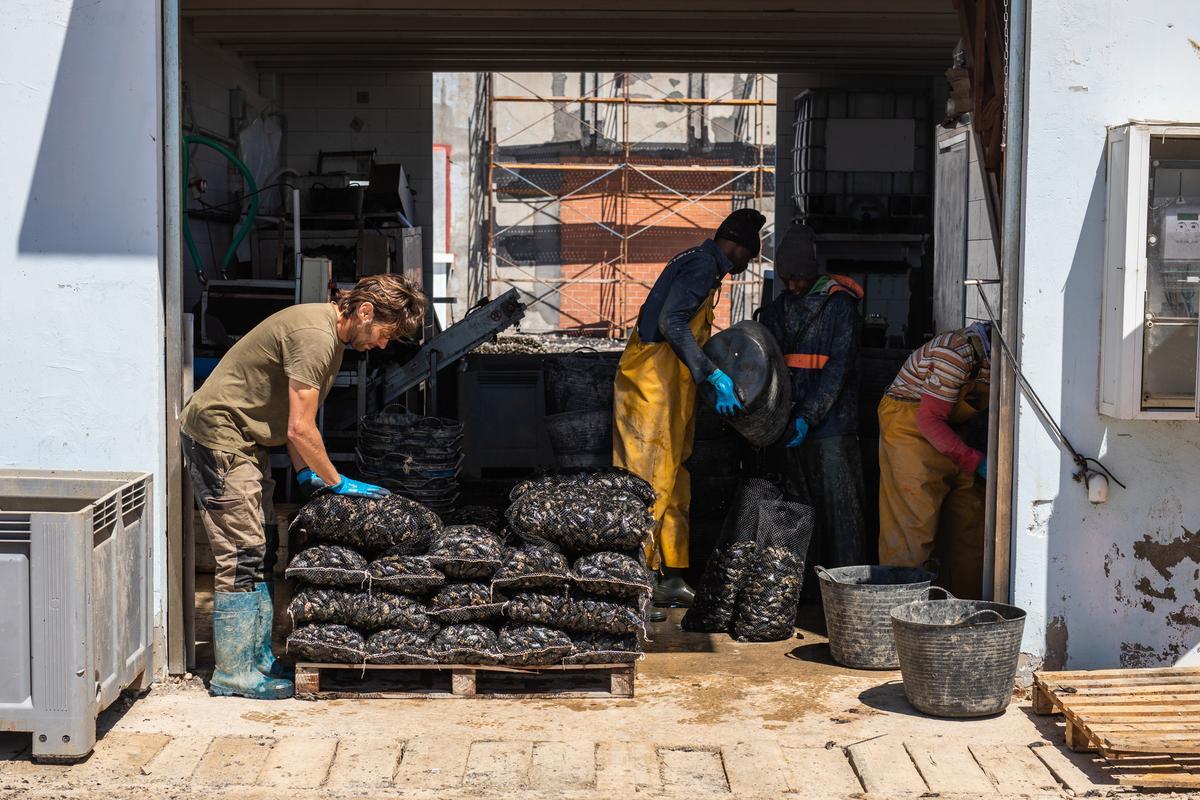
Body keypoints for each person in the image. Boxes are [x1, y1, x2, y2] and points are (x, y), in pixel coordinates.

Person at [181, 274, 425, 699]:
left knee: (264, 548)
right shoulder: (315, 337)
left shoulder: (328, 337)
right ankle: (234, 673)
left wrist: (303, 473)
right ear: (365, 312)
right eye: (385, 335)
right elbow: (299, 427)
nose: (383, 345)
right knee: (242, 553)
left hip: (248, 438)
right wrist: (336, 481)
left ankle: (257, 658)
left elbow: (293, 422)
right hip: (219, 436)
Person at [613, 208, 766, 618]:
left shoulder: (703, 267)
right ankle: (635, 586)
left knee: (675, 481)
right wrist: (710, 374)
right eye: (747, 257)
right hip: (650, 386)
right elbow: (671, 322)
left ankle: (671, 578)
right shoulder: (701, 265)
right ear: (734, 246)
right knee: (647, 484)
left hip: (671, 388)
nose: (745, 265)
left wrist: (701, 381)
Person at [759, 224, 866, 575]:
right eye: (787, 280)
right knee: (800, 511)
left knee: (842, 515)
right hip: (791, 427)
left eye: (799, 280)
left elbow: (838, 371)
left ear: (812, 272)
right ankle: (804, 588)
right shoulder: (777, 309)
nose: (793, 287)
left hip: (831, 427)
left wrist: (808, 416)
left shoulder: (841, 308)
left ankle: (848, 587)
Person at [877, 322, 991, 599]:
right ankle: (900, 613)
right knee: (913, 527)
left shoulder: (997, 360)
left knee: (970, 524)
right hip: (911, 429)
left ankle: (964, 611)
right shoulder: (953, 353)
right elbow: (929, 421)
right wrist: (975, 461)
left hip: (952, 432)